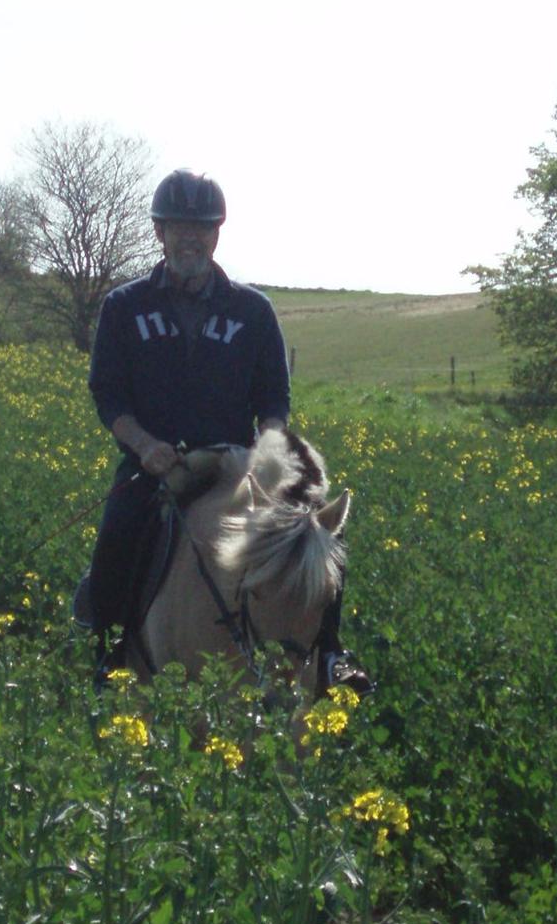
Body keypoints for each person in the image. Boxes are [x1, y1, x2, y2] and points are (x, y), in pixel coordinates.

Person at [74, 168, 371, 694]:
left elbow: (273, 400)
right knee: (117, 534)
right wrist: (144, 446)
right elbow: (109, 394)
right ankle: (110, 652)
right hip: (156, 463)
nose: (191, 237)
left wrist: (268, 454)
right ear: (159, 232)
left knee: (317, 532)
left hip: (233, 464)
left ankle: (329, 654)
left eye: (202, 227)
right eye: (178, 227)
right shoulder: (126, 307)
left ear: (217, 233)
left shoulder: (252, 311)